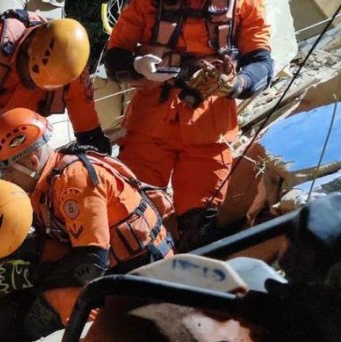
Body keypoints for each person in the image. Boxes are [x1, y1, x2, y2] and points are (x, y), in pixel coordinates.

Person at [103, 0, 273, 251]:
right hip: (150, 125)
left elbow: (261, 63)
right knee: (131, 214)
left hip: (210, 126)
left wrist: (237, 85)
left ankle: (185, 279)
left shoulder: (245, 5)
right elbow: (115, 57)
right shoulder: (145, 3)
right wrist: (136, 67)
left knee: (199, 226)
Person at [0, 108, 174, 323]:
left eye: (6, 171)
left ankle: (94, 333)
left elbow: (91, 265)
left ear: (32, 162)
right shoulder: (45, 184)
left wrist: (31, 276)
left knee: (58, 294)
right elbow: (52, 240)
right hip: (119, 265)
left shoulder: (74, 181)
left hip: (146, 272)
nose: (5, 180)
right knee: (46, 263)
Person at [0, 13, 110, 157]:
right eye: (31, 77)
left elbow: (90, 134)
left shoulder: (72, 75)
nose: (32, 86)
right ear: (28, 44)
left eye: (42, 86)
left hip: (9, 142)